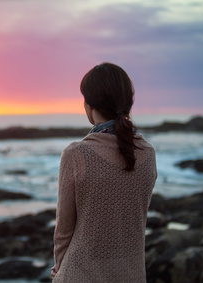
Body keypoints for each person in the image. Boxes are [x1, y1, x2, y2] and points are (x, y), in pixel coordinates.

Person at [51, 63, 157, 282]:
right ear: (128, 103)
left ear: (89, 104)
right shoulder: (148, 153)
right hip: (132, 276)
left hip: (80, 276)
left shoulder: (76, 153)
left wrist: (59, 270)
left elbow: (63, 230)